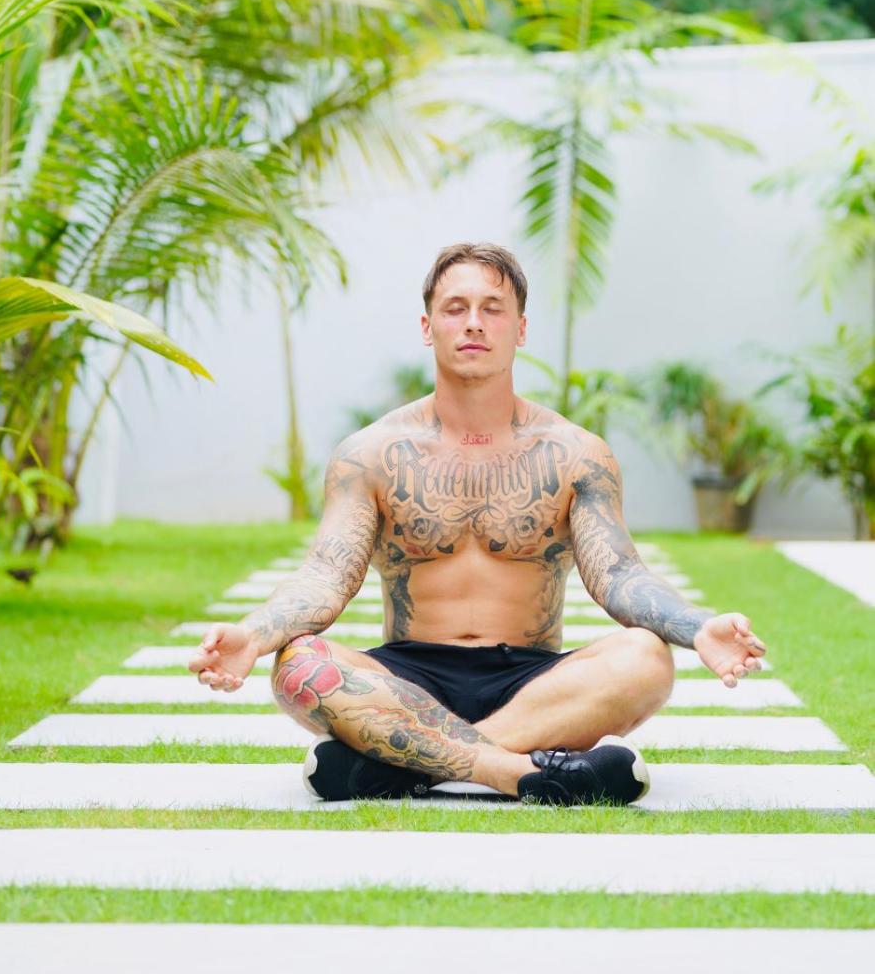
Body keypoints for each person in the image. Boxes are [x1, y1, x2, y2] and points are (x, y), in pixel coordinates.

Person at [189, 242, 766, 806]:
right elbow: (326, 574)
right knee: (298, 663)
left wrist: (696, 627)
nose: (473, 323)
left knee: (646, 658)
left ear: (520, 329)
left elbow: (618, 575)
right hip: (405, 675)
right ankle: (520, 773)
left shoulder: (576, 453)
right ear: (427, 327)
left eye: (492, 308)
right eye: (455, 308)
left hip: (534, 682)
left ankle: (398, 764)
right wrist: (254, 636)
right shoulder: (370, 454)